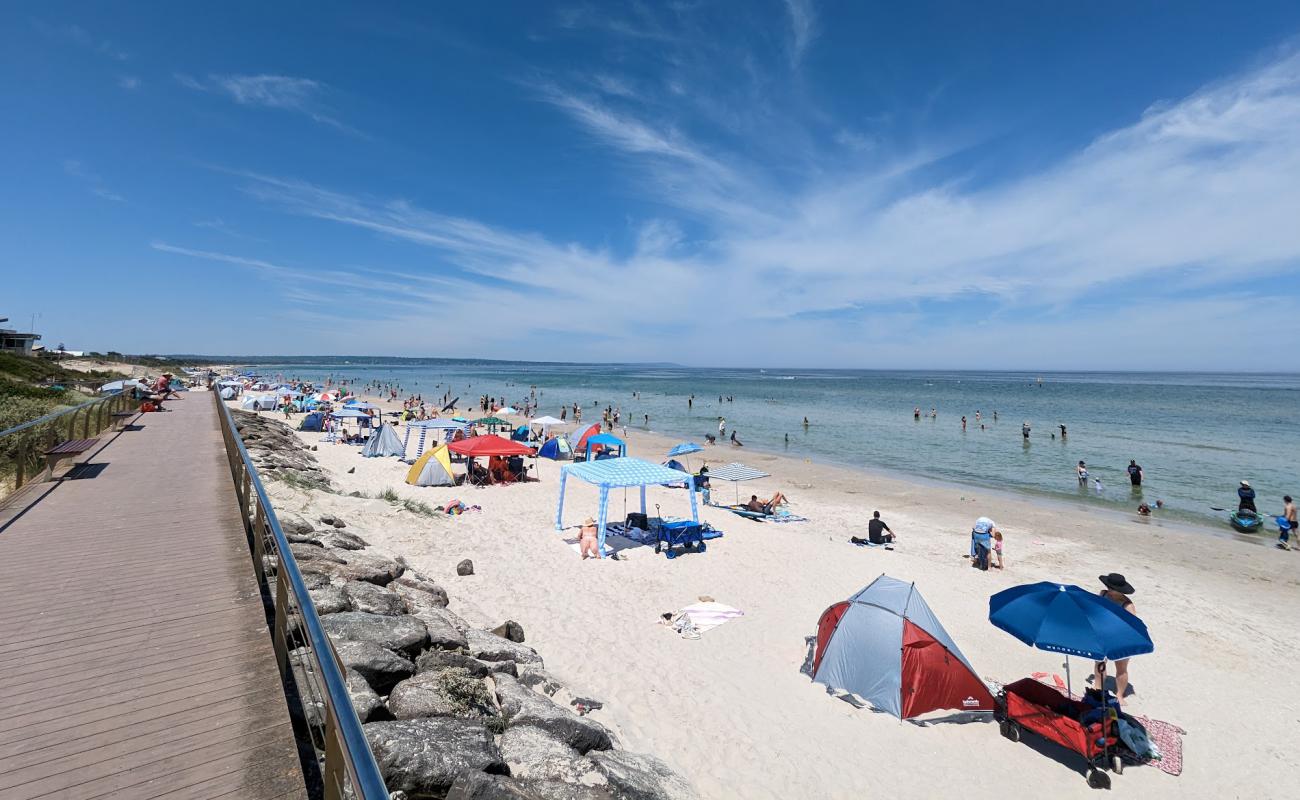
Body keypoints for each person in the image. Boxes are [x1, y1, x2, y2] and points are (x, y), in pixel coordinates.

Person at [1094, 574, 1138, 699]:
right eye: (1109, 587)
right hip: (1103, 634)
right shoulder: (1103, 594)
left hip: (1121, 638)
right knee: (1099, 662)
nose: (1109, 590)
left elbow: (1133, 625)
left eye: (1112, 588)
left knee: (1121, 668)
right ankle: (1098, 687)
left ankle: (1119, 695)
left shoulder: (1128, 605)